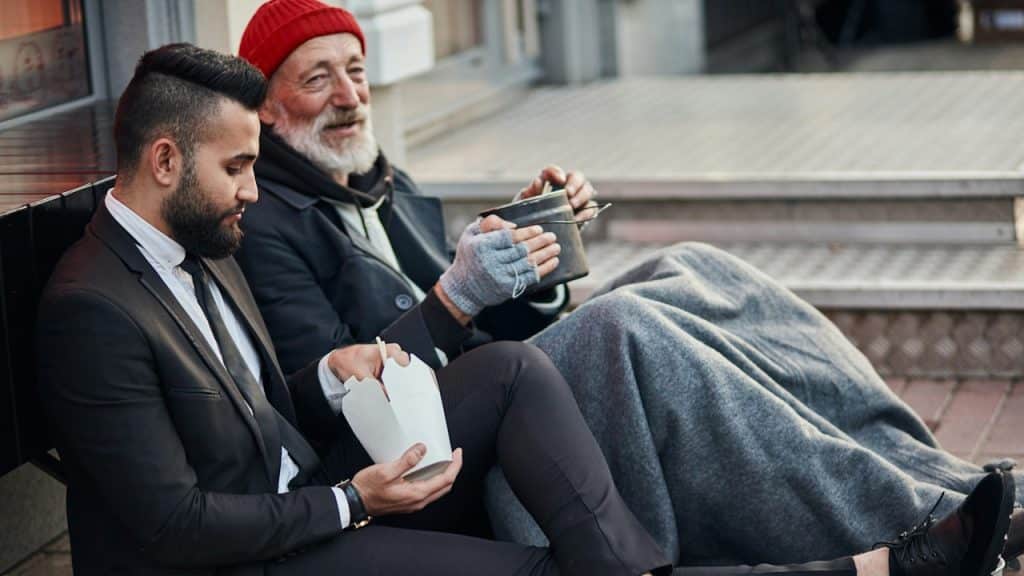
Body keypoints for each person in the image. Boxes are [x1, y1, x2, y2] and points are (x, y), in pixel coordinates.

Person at [233, 0, 1023, 569]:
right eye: (317, 79)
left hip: (494, 381)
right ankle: (923, 519)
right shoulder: (264, 224)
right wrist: (456, 298)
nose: (348, 96)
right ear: (268, 107)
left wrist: (535, 247)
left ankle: (938, 472)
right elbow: (336, 396)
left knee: (698, 267)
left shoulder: (382, 179)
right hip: (432, 455)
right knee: (627, 328)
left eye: (356, 72)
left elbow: (494, 322)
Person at [35, 43, 675, 576]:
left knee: (512, 370)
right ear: (166, 160)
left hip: (304, 493)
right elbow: (174, 526)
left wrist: (328, 377)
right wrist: (351, 501)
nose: (252, 191)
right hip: (239, 556)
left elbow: (244, 409)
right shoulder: (91, 309)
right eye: (236, 168)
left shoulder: (203, 235)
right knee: (527, 568)